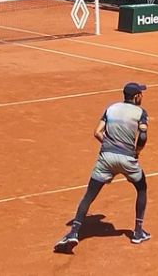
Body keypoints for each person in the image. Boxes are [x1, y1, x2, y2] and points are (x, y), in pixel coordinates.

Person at [55, 82, 151, 253]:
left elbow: (97, 132)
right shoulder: (140, 113)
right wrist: (136, 151)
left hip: (106, 158)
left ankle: (74, 232)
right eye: (141, 94)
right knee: (141, 188)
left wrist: (109, 145)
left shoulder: (111, 109)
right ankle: (138, 232)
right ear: (136, 97)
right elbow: (142, 135)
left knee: (89, 196)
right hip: (128, 158)